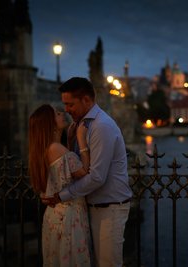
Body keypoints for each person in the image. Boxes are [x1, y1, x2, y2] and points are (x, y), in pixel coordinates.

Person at [48, 77, 133, 267]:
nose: (67, 110)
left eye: (70, 104)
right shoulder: (81, 125)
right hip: (93, 207)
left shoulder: (101, 126)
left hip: (109, 208)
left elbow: (96, 177)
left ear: (86, 100)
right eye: (65, 105)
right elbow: (77, 167)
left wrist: (61, 196)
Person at [28, 104, 92, 267]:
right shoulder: (56, 148)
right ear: (50, 122)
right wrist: (81, 140)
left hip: (54, 215)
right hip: (68, 217)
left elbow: (66, 169)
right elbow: (84, 171)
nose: (62, 114)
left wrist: (69, 141)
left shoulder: (47, 149)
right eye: (57, 113)